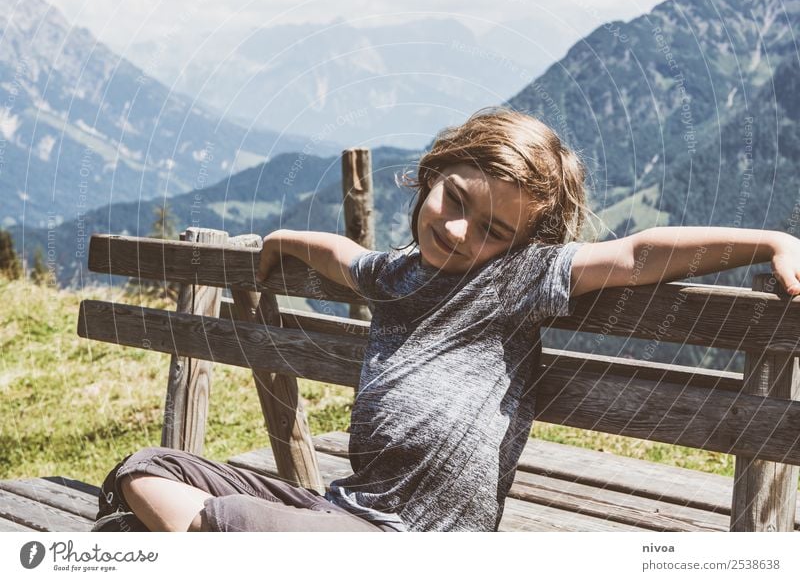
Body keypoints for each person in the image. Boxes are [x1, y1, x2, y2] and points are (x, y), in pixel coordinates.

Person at [92, 106, 800, 532]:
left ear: (522, 243)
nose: (461, 231)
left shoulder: (518, 280)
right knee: (145, 467)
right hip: (347, 512)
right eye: (454, 198)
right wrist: (281, 242)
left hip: (415, 542)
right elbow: (345, 256)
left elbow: (641, 250)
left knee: (221, 524)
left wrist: (770, 242)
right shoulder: (396, 274)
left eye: (492, 228)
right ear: (432, 173)